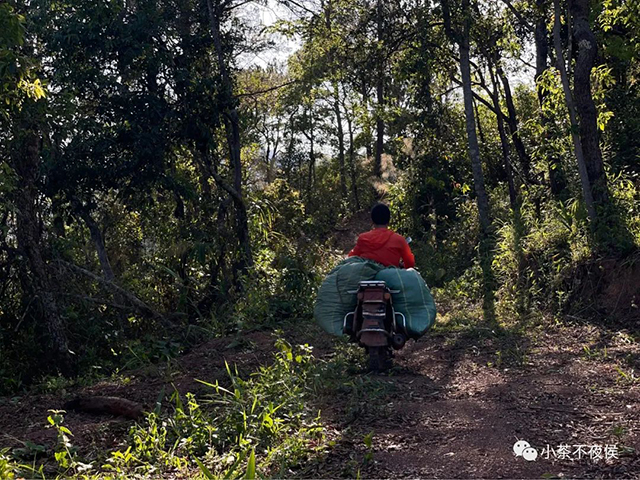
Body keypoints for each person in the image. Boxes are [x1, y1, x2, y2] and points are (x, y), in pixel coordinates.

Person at [348, 203, 415, 268]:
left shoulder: (363, 238)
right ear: (389, 220)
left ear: (372, 221)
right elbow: (410, 263)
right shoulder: (399, 240)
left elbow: (351, 257)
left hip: (367, 275)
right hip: (391, 276)